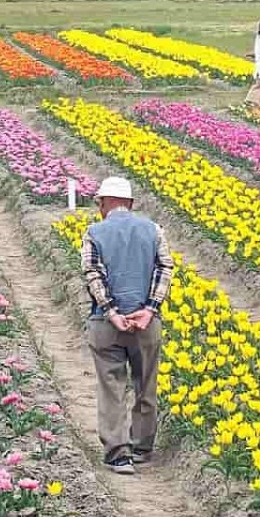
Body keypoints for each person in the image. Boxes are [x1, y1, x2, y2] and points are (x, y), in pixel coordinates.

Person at [81, 176, 173, 474]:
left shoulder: (94, 233)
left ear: (104, 204)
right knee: (145, 384)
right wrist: (149, 310)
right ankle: (142, 446)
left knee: (112, 385)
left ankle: (119, 454)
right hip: (147, 324)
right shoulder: (154, 230)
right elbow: (164, 268)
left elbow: (93, 273)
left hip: (107, 324)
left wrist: (111, 311)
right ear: (130, 204)